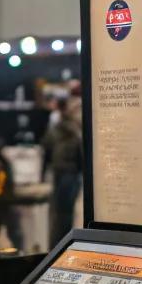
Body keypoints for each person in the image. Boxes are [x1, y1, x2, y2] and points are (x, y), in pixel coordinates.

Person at [44, 94, 84, 245]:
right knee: (64, 213)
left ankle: (59, 244)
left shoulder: (58, 127)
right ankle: (62, 244)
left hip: (62, 172)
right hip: (69, 172)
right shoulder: (72, 129)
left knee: (60, 212)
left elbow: (46, 147)